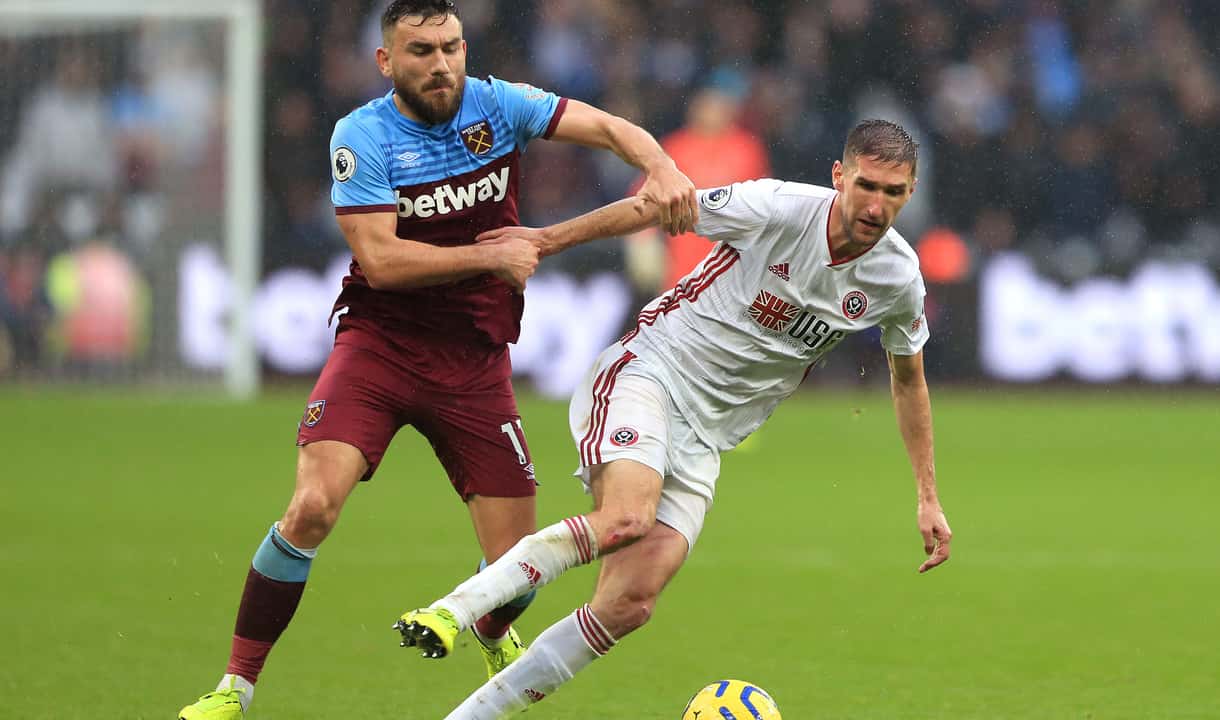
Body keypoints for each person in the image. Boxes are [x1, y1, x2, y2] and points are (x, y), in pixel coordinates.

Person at [177, 2, 696, 719]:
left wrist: (662, 165)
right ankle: (234, 688)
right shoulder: (362, 135)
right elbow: (380, 260)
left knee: (521, 564)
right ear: (387, 61)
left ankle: (488, 626)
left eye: (451, 46)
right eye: (421, 50)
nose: (441, 62)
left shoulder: (497, 103)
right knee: (313, 506)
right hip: (379, 350)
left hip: (476, 361)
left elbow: (608, 128)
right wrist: (491, 253)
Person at [395, 119, 953, 719]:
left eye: (893, 193)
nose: (876, 205)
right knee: (626, 517)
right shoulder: (776, 207)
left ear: (911, 193)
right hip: (651, 373)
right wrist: (547, 241)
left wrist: (927, 496)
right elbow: (657, 206)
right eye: (866, 185)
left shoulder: (897, 278)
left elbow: (908, 380)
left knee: (629, 603)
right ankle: (454, 609)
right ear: (839, 175)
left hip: (707, 437)